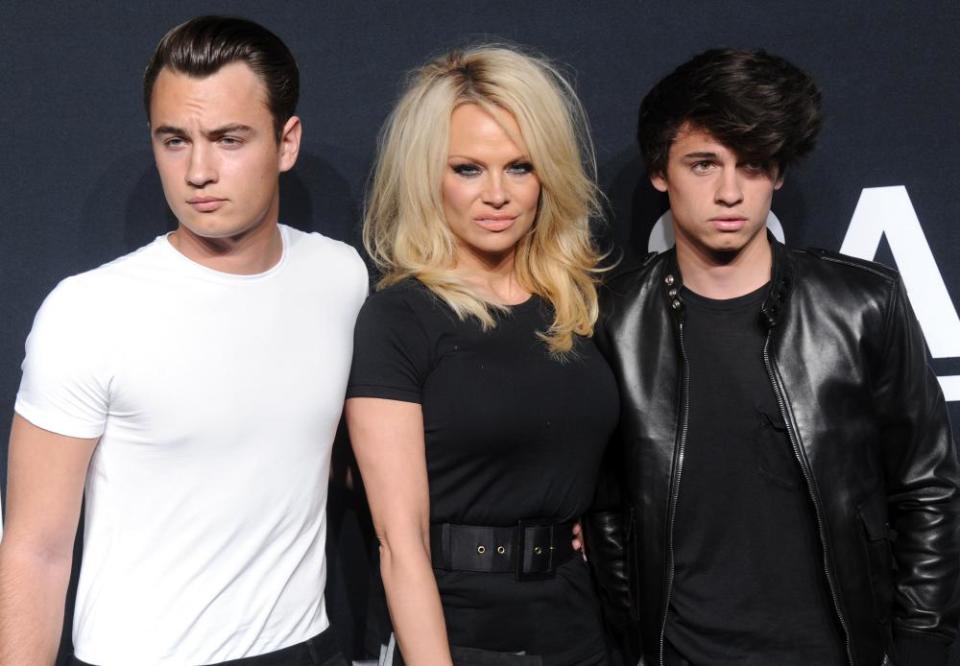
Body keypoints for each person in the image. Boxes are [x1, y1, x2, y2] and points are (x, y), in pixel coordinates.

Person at [0, 16, 366, 666]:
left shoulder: (340, 278)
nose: (198, 170)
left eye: (229, 139)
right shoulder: (89, 311)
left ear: (287, 143)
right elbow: (35, 548)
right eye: (175, 140)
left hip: (303, 648)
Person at [587, 48, 960, 666]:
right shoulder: (611, 321)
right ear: (661, 172)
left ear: (778, 173)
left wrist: (923, 644)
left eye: (753, 164)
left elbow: (926, 488)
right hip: (678, 651)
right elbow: (605, 510)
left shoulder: (863, 303)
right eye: (703, 164)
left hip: (838, 651)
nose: (729, 191)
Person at [345, 45, 617, 665]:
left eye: (520, 167)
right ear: (428, 176)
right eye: (468, 169)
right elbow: (399, 542)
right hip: (457, 629)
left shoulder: (576, 307)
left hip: (577, 625)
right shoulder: (399, 318)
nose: (497, 194)